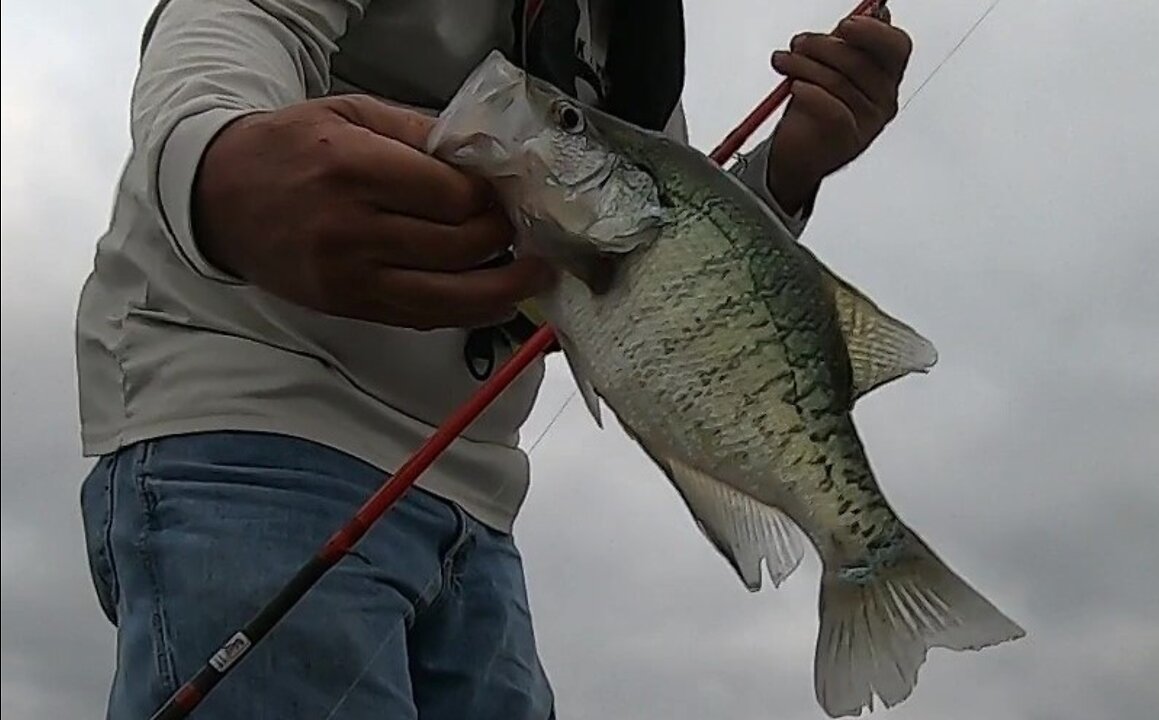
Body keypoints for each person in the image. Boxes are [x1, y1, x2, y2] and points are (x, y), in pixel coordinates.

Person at [74, 1, 913, 718]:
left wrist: (791, 166)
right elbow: (239, 18)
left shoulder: (633, 28)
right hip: (253, 430)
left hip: (475, 500)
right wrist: (217, 159)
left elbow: (659, 259)